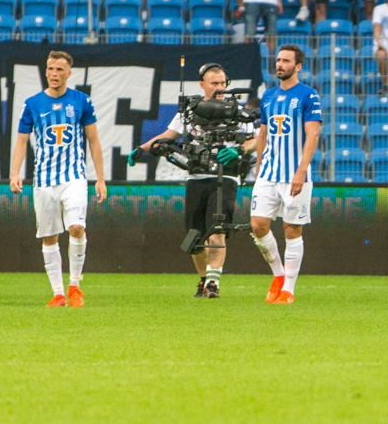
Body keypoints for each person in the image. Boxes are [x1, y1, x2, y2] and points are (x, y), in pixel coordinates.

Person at [134, 63, 245, 298]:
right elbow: (168, 135)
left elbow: (255, 139)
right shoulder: (190, 111)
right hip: (196, 175)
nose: (220, 88)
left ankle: (213, 283)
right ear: (202, 84)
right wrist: (142, 149)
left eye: (223, 83)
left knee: (217, 230)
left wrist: (240, 151)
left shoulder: (237, 111)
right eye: (214, 83)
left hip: (225, 175)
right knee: (195, 235)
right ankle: (204, 280)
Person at [8, 50, 106, 308]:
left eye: (59, 69)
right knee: (49, 237)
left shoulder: (82, 101)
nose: (54, 74)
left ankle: (75, 286)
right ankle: (58, 293)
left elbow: (94, 141)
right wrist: (15, 172)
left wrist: (100, 179)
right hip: (43, 180)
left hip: (74, 178)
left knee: (76, 228)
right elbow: (21, 141)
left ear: (68, 73)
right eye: (50, 68)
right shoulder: (32, 104)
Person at [249, 45, 323, 306]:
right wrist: (258, 167)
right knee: (258, 225)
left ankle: (288, 291)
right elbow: (263, 134)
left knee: (292, 229)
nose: (280, 64)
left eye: (286, 61)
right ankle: (279, 276)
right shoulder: (268, 96)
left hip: (295, 174)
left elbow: (312, 134)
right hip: (268, 172)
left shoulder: (308, 95)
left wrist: (301, 171)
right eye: (278, 60)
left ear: (298, 66)